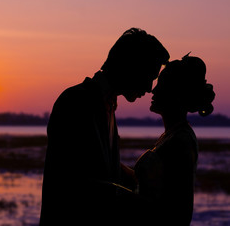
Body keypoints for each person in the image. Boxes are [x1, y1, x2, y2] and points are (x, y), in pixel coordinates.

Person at [39, 28, 170, 225]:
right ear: (132, 66)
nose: (149, 88)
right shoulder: (76, 102)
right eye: (149, 76)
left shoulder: (106, 104)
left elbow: (99, 167)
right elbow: (74, 182)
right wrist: (142, 203)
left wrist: (139, 180)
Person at [133, 55, 215, 225]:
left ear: (176, 94)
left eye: (161, 86)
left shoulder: (181, 141)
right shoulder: (172, 135)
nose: (153, 91)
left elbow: (177, 211)